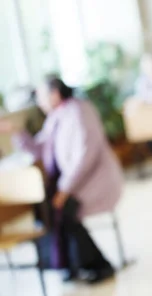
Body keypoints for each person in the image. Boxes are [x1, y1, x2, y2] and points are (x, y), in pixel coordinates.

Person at [0, 76, 122, 284]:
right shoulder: (56, 116)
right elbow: (39, 148)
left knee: (63, 209)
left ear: (55, 94)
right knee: (48, 209)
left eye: (41, 96)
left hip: (92, 181)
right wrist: (17, 132)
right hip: (73, 182)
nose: (39, 102)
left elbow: (85, 155)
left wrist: (65, 189)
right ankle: (69, 264)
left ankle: (97, 265)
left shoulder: (79, 112)